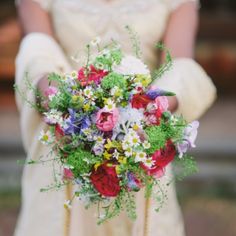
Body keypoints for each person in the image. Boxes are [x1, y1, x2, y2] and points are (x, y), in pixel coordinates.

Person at [14, 0, 216, 236]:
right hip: (68, 144)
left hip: (140, 144)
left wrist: (151, 109)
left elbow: (178, 66)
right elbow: (37, 52)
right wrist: (67, 104)